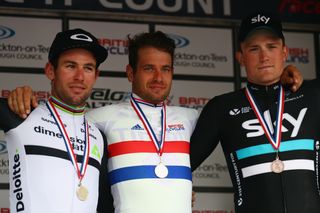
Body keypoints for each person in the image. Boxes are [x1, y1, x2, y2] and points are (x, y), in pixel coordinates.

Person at [6, 31, 303, 213]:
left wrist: (282, 77)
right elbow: (61, 119)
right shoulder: (98, 120)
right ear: (131, 73)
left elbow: (245, 106)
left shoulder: (193, 118)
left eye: (166, 69)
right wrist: (23, 96)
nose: (159, 78)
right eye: (149, 68)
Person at [190, 11, 320, 213]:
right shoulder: (221, 108)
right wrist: (178, 188)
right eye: (253, 48)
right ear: (240, 57)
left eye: (271, 46)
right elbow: (182, 163)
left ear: (284, 51)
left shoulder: (313, 94)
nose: (264, 56)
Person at [0, 28, 114, 213]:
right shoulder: (21, 113)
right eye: (70, 66)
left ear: (95, 76)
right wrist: (12, 98)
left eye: (88, 68)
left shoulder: (99, 136)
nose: (79, 76)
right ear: (50, 71)